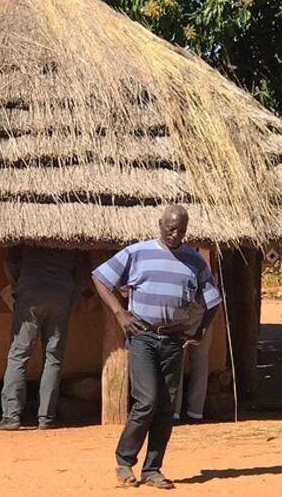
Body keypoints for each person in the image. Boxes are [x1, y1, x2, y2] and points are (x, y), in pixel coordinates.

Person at [92, 205, 222, 489]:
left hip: (174, 340)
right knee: (147, 400)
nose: (175, 234)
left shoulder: (194, 261)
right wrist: (120, 314)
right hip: (143, 337)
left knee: (165, 407)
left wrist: (198, 331)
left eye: (182, 230)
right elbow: (100, 278)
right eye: (171, 228)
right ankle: (125, 461)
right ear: (160, 223)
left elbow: (213, 300)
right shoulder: (137, 252)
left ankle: (153, 469)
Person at [0, 246, 87, 430]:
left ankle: (11, 416)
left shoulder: (28, 232)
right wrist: (69, 301)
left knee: (19, 355)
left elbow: (9, 262)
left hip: (29, 294)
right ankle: (47, 418)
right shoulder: (73, 233)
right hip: (61, 296)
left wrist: (17, 285)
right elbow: (79, 275)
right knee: (53, 357)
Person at [173, 303, 214, 423]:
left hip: (183, 313)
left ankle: (174, 411)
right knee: (200, 362)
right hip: (204, 313)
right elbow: (214, 300)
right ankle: (195, 411)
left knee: (176, 362)